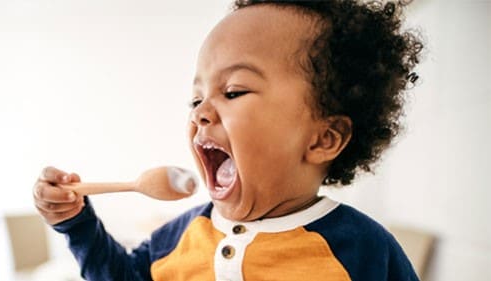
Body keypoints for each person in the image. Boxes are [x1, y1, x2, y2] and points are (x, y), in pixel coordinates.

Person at [33, 0, 423, 280]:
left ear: (324, 138)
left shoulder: (365, 251)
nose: (200, 112)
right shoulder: (182, 234)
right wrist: (77, 225)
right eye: (196, 98)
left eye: (234, 91)